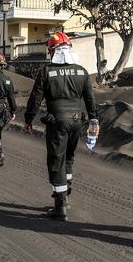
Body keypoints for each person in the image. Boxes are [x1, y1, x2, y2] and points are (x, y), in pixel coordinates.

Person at [23, 31, 98, 221]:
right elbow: (90, 99)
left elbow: (35, 98)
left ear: (52, 51)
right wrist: (94, 120)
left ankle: (60, 205)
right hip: (77, 122)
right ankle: (67, 194)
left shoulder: (47, 71)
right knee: (69, 158)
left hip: (58, 122)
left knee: (56, 161)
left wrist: (29, 119)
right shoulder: (82, 71)